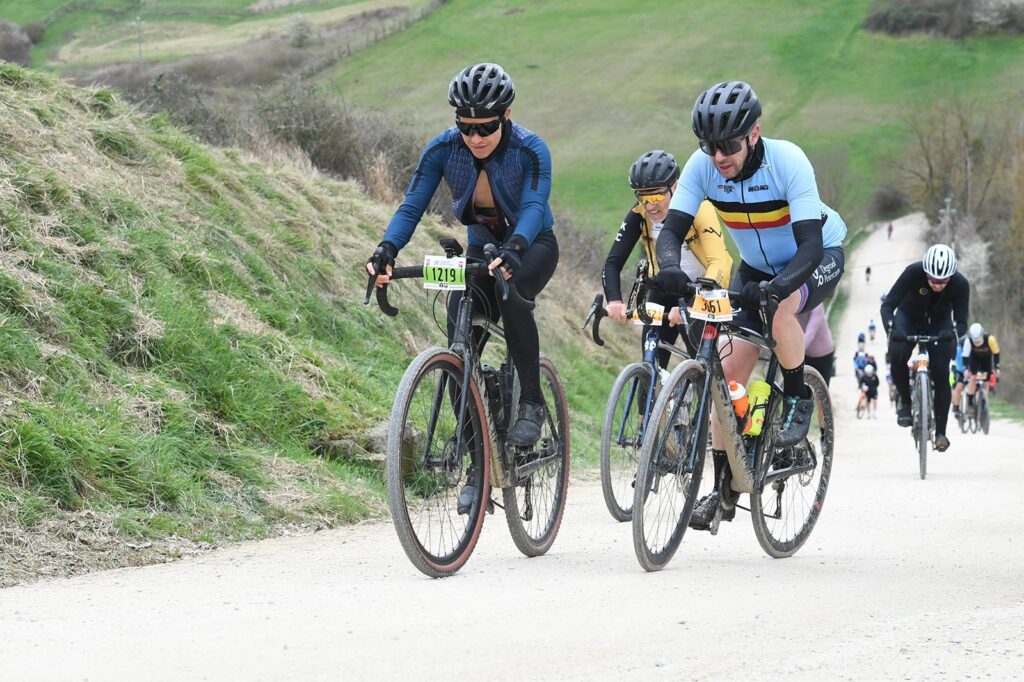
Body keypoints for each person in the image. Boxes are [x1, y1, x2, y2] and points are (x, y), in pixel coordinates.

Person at [649, 80, 847, 530]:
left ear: (753, 134)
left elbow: (810, 247)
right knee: (726, 374)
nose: (719, 156)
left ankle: (797, 396)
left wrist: (779, 287)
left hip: (814, 255)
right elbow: (671, 231)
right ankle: (722, 492)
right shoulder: (704, 166)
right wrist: (670, 268)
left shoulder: (788, 161)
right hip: (755, 267)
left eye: (729, 145)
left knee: (780, 312)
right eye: (710, 146)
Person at [367, 62, 557, 465]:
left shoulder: (530, 149)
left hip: (532, 244)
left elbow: (535, 206)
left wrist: (517, 245)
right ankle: (475, 462)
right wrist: (387, 249)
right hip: (481, 251)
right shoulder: (443, 149)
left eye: (485, 127)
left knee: (512, 291)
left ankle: (532, 404)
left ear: (506, 115)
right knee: (460, 337)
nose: (475, 137)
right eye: (466, 127)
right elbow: (412, 205)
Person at [601, 150, 731, 365]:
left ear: (676, 186)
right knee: (650, 365)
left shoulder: (700, 208)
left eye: (656, 196)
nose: (649, 205)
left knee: (702, 366)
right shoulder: (640, 213)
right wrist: (614, 300)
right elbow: (613, 262)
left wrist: (697, 304)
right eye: (642, 197)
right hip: (664, 288)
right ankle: (653, 394)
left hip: (705, 288)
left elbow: (720, 262)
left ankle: (702, 391)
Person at [881, 244, 969, 452]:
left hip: (940, 325)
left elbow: (962, 321)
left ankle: (941, 433)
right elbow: (887, 306)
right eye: (932, 280)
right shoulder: (913, 272)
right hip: (908, 318)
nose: (937, 285)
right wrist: (892, 330)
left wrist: (954, 334)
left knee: (941, 372)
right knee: (898, 354)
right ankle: (904, 402)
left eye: (943, 281)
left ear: (951, 277)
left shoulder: (960, 284)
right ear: (925, 272)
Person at [962, 322, 1000, 411]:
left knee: (986, 382)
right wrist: (965, 369)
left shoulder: (990, 339)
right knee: (973, 378)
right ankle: (970, 402)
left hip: (986, 360)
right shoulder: (968, 340)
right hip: (974, 359)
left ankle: (983, 402)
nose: (977, 342)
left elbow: (996, 353)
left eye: (978, 340)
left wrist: (997, 367)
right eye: (975, 341)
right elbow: (965, 356)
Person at [796, 303, 834, 386]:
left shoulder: (817, 304)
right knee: (806, 388)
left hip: (824, 354)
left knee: (822, 390)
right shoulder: (795, 304)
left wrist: (795, 353)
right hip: (806, 354)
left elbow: (811, 333)